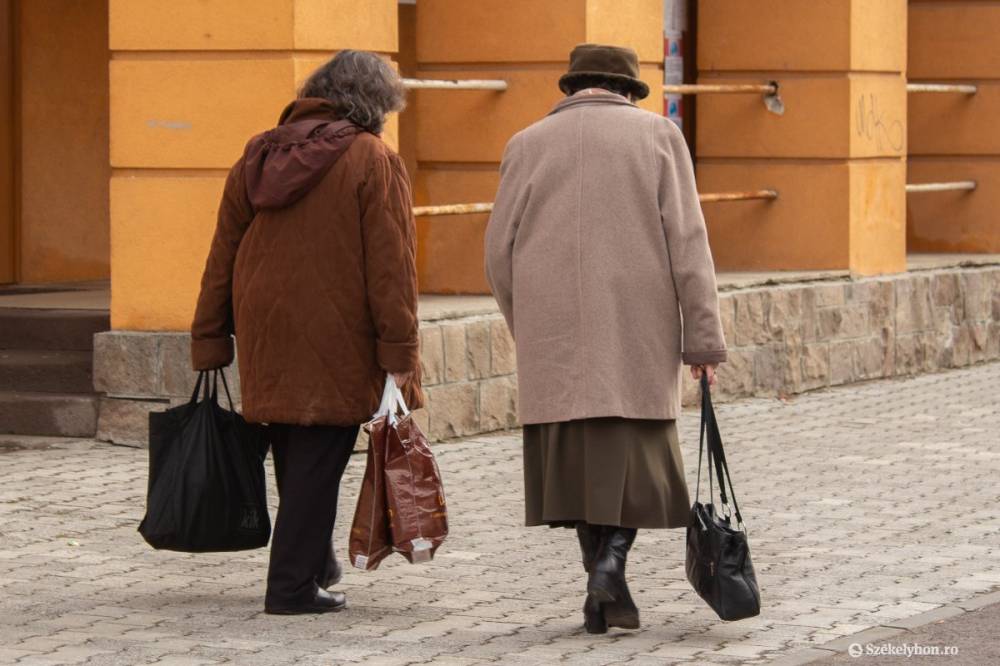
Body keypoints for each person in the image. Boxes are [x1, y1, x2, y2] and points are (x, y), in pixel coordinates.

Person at [484, 43, 727, 633]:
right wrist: (703, 340)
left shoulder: (524, 143)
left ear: (572, 87)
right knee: (632, 469)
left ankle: (604, 587)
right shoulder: (659, 137)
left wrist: (531, 325)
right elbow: (689, 246)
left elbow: (497, 254)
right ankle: (610, 569)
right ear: (629, 89)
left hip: (556, 343)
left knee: (576, 476)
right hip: (636, 336)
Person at [190, 50, 422, 615]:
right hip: (336, 329)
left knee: (295, 448)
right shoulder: (372, 158)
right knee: (319, 455)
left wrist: (211, 335)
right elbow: (391, 266)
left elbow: (223, 250)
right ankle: (291, 587)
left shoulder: (257, 152)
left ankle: (313, 562)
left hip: (265, 324)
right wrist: (400, 350)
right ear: (375, 103)